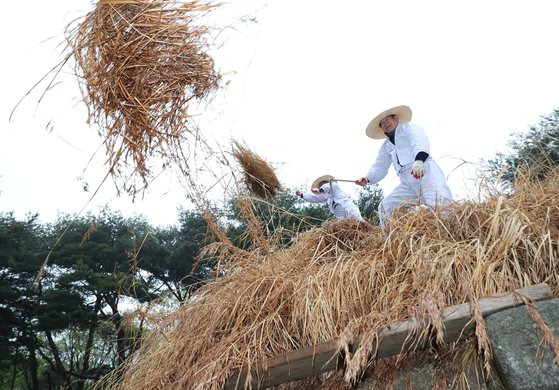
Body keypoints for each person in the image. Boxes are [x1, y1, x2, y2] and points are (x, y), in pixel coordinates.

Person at [356, 105, 452, 230]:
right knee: (386, 206)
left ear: (395, 118)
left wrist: (419, 160)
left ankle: (451, 236)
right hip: (407, 183)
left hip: (425, 173)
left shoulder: (408, 128)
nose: (385, 124)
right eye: (382, 123)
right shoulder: (386, 147)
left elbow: (419, 141)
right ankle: (391, 242)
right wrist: (367, 178)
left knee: (440, 205)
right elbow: (380, 166)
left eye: (387, 120)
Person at [296, 175, 363, 220]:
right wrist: (302, 195)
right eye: (320, 186)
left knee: (359, 222)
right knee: (343, 227)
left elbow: (327, 186)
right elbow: (314, 198)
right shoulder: (325, 196)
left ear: (327, 183)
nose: (321, 186)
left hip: (348, 206)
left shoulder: (334, 185)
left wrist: (319, 190)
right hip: (338, 211)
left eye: (322, 185)